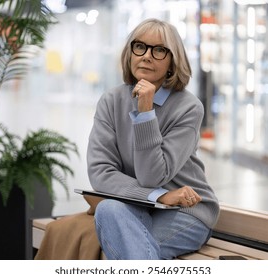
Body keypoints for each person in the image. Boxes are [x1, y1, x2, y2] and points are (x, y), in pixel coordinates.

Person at [86, 18, 219, 260]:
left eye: (158, 50)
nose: (146, 56)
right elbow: (101, 172)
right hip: (136, 206)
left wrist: (145, 112)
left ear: (172, 62)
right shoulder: (111, 101)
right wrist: (159, 196)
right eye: (140, 47)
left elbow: (152, 176)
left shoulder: (189, 108)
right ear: (130, 53)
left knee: (131, 251)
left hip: (185, 211)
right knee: (108, 209)